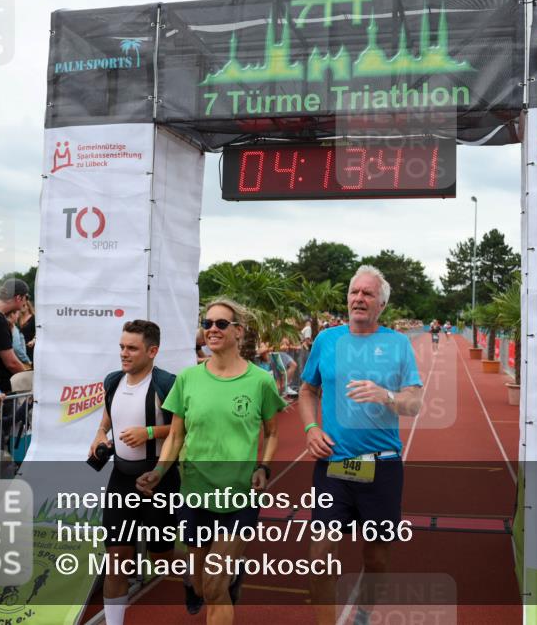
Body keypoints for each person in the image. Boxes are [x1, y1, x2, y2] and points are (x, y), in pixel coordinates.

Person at [137, 299, 283, 625]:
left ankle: (228, 576)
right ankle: (230, 575)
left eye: (220, 324)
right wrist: (160, 471)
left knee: (216, 586)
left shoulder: (260, 381)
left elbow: (272, 433)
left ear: (238, 331)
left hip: (239, 496)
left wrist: (264, 467)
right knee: (202, 587)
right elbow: (175, 436)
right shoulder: (188, 378)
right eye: (207, 323)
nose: (212, 330)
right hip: (195, 492)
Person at [298, 265, 423, 625]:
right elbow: (307, 390)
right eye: (354, 292)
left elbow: (413, 404)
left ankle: (364, 612)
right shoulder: (327, 340)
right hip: (333, 465)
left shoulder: (398, 344)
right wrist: (309, 427)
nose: (359, 298)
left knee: (377, 558)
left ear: (381, 304)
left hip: (381, 467)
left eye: (368, 293)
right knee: (319, 553)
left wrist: (385, 395)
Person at [87, 320, 182, 625]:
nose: (124, 354)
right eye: (122, 347)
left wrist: (150, 432)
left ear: (152, 351)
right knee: (116, 560)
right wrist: (100, 434)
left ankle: (208, 579)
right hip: (121, 479)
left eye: (132, 348)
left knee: (162, 559)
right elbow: (107, 417)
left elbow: (185, 429)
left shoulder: (166, 383)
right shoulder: (113, 381)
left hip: (158, 480)